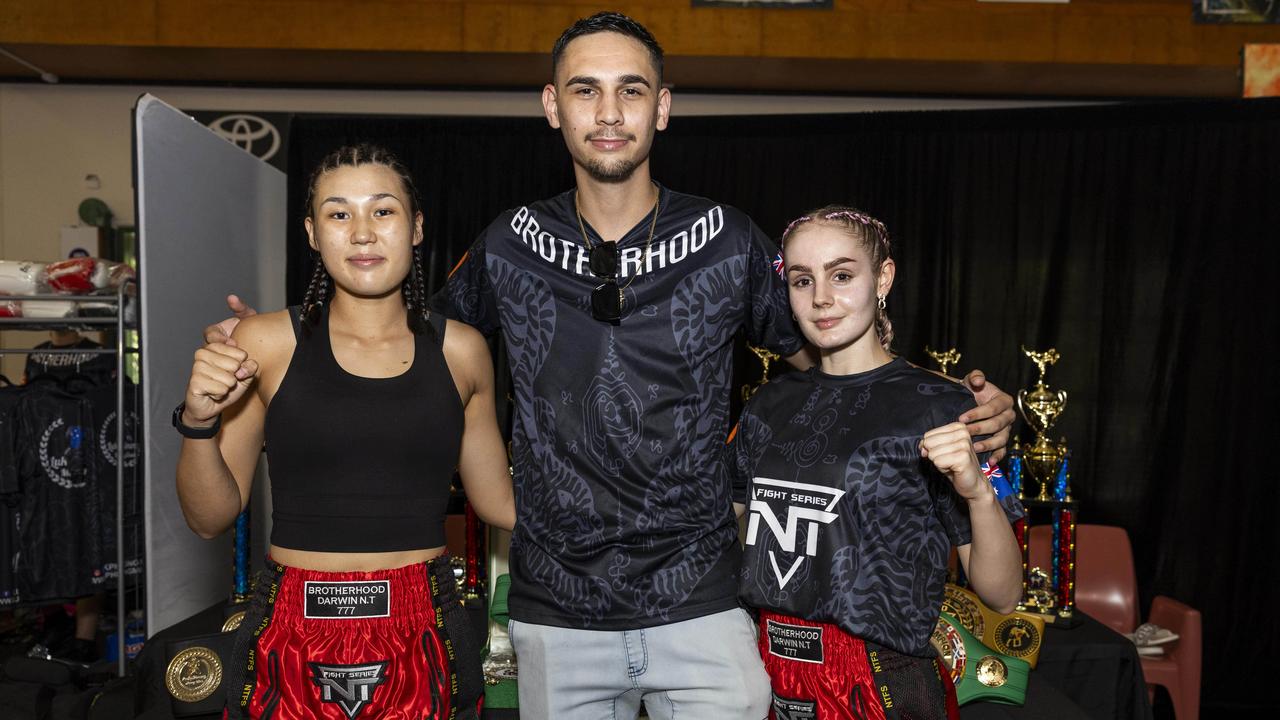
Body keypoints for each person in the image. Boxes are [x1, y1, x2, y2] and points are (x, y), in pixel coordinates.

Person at [206, 13, 1016, 718]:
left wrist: (947, 409)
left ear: (662, 109)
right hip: (555, 611)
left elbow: (832, 346)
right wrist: (286, 342)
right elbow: (410, 344)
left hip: (704, 601)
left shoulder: (729, 240)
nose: (608, 112)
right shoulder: (507, 244)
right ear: (552, 106)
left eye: (631, 90)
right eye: (585, 90)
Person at [175, 144, 514, 719]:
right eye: (338, 213)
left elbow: (503, 505)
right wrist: (200, 421)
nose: (362, 232)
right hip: (290, 629)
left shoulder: (463, 350)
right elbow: (208, 518)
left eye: (383, 211)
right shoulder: (264, 343)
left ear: (416, 228)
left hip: (426, 630)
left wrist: (636, 500)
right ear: (312, 233)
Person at [729, 207, 1024, 720]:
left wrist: (978, 492)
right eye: (803, 280)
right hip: (764, 676)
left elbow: (1003, 595)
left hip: (881, 685)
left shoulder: (941, 404)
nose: (821, 297)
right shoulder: (767, 405)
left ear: (882, 277)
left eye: (842, 275)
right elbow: (730, 535)